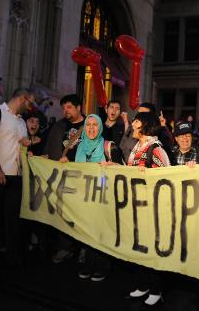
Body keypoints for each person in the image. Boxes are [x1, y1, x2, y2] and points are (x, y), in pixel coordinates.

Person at [60, 114, 123, 282]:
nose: (91, 128)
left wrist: (112, 165)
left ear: (100, 127)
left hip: (104, 198)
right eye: (88, 125)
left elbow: (124, 170)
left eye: (95, 125)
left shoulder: (109, 146)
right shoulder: (78, 147)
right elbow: (69, 165)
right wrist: (64, 160)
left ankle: (103, 266)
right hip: (84, 198)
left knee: (101, 233)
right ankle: (88, 264)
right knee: (87, 232)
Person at [0, 87, 34, 273]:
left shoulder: (20, 121)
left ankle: (12, 258)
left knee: (12, 219)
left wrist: (29, 144)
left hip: (15, 177)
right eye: (29, 103)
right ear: (22, 98)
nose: (30, 107)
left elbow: (22, 145)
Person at [125, 112, 170, 306]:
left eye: (135, 121)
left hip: (153, 209)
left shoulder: (155, 148)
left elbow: (169, 176)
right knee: (139, 247)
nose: (132, 125)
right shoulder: (136, 148)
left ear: (144, 125)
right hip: (136, 207)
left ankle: (156, 289)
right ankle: (142, 284)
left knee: (152, 249)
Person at [42, 94, 85, 263]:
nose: (65, 111)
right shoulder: (59, 126)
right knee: (63, 212)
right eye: (63, 108)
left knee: (82, 214)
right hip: (62, 177)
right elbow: (49, 147)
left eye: (68, 107)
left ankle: (83, 248)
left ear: (78, 107)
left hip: (82, 178)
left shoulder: (90, 124)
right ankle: (64, 247)